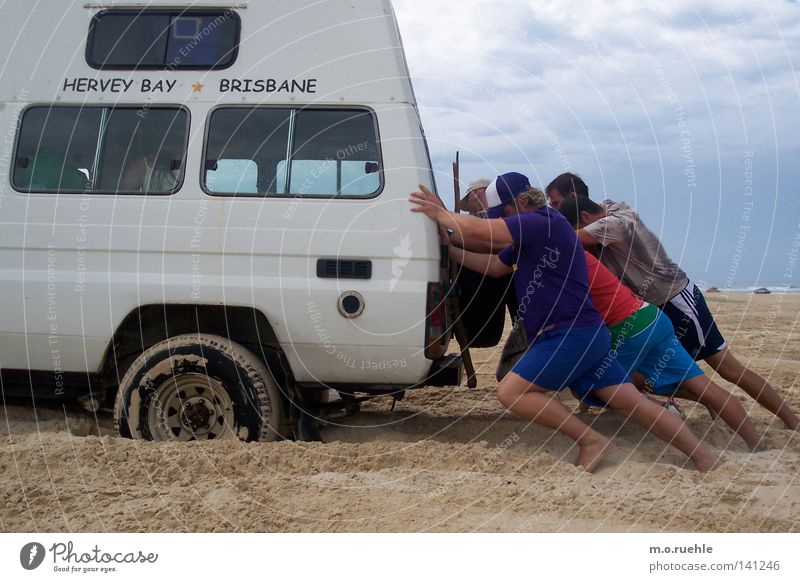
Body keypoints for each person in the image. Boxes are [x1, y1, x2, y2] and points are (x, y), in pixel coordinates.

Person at [410, 172, 717, 473]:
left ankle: (591, 440)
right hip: (587, 334)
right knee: (634, 404)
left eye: (503, 212)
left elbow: (481, 231)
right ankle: (704, 458)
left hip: (569, 334)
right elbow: (494, 266)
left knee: (511, 392)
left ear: (520, 201)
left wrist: (440, 213)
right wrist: (454, 251)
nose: (503, 219)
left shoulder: (542, 221)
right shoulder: (535, 234)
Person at [554, 181, 800, 431]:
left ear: (584, 215)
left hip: (675, 299)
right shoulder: (604, 209)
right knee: (643, 375)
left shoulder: (616, 222)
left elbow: (567, 240)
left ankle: (792, 421)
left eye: (555, 203)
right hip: (647, 310)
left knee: (727, 368)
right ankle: (706, 400)